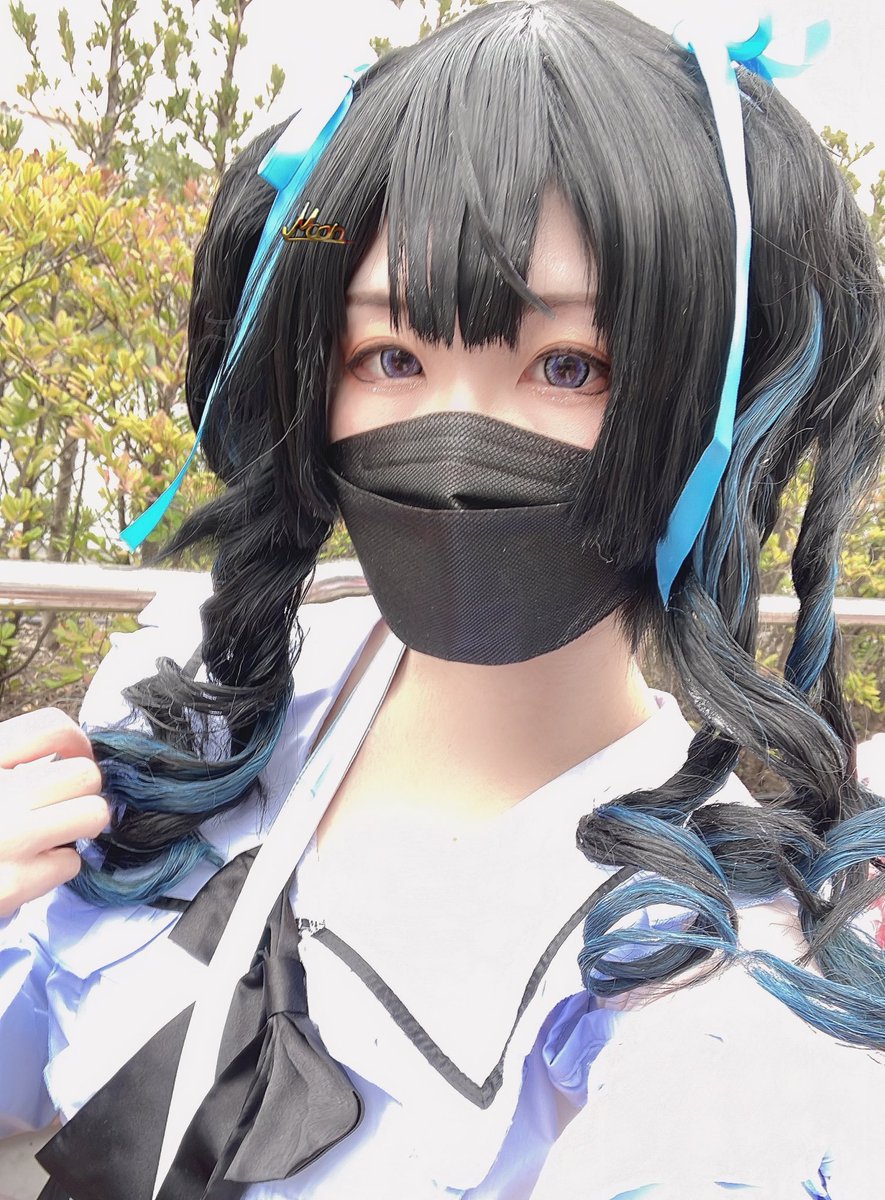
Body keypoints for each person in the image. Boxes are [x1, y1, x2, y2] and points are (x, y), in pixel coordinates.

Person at [1, 2, 884, 1197]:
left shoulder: (699, 986)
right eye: (391, 358)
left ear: (705, 410)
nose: (457, 450)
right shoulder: (192, 722)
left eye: (569, 365)